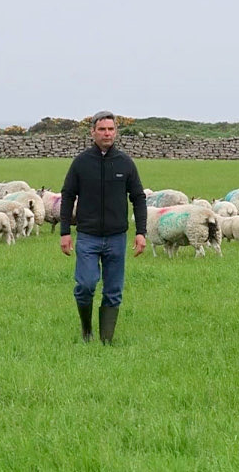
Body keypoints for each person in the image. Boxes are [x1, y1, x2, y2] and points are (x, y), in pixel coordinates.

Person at [60, 110, 147, 344]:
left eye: (110, 129)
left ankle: (106, 341)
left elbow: (138, 198)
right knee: (86, 284)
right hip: (88, 236)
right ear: (93, 132)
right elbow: (68, 195)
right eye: (102, 129)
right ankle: (86, 330)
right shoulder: (81, 163)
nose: (107, 133)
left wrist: (141, 232)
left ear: (116, 132)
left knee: (113, 291)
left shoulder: (125, 163)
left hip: (117, 237)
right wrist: (65, 232)